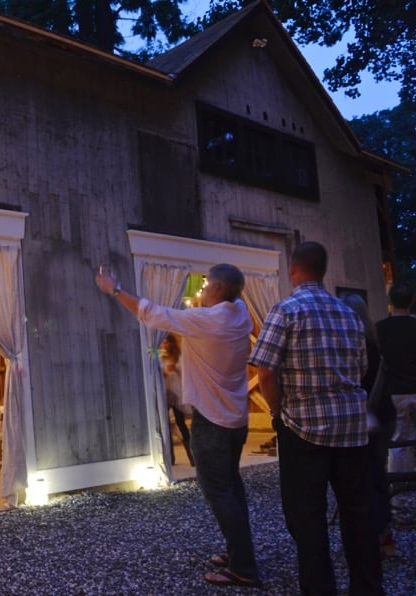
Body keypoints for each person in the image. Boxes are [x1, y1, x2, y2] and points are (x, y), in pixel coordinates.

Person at [96, 263, 260, 588]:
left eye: (206, 286)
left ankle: (244, 567)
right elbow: (231, 295)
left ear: (216, 290)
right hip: (236, 418)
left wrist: (114, 289)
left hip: (212, 420)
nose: (201, 292)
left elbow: (153, 313)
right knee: (232, 487)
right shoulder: (240, 313)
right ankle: (239, 552)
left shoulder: (207, 320)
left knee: (219, 493)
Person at [249, 241, 383, 595]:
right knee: (358, 512)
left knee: (307, 516)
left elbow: (265, 372)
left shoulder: (286, 310)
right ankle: (367, 587)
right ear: (322, 271)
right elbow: (362, 367)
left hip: (304, 426)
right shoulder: (349, 313)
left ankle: (320, 588)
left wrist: (278, 414)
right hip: (352, 426)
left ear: (293, 270)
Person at [342, 293, 395, 558]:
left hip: (360, 418)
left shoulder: (350, 345)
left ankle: (368, 535)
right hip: (383, 415)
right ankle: (385, 531)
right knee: (377, 474)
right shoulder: (376, 343)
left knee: (363, 477)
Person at [376, 283, 416, 477]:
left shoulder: (381, 329)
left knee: (399, 441)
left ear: (391, 302)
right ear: (412, 302)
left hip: (395, 391)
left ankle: (399, 488)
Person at [159, 333, 194, 467]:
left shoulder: (179, 356)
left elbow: (185, 373)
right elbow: (148, 350)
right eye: (163, 342)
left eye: (168, 342)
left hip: (177, 394)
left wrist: (176, 370)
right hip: (164, 394)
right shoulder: (158, 356)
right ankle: (170, 458)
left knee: (181, 424)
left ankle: (192, 457)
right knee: (165, 425)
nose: (165, 345)